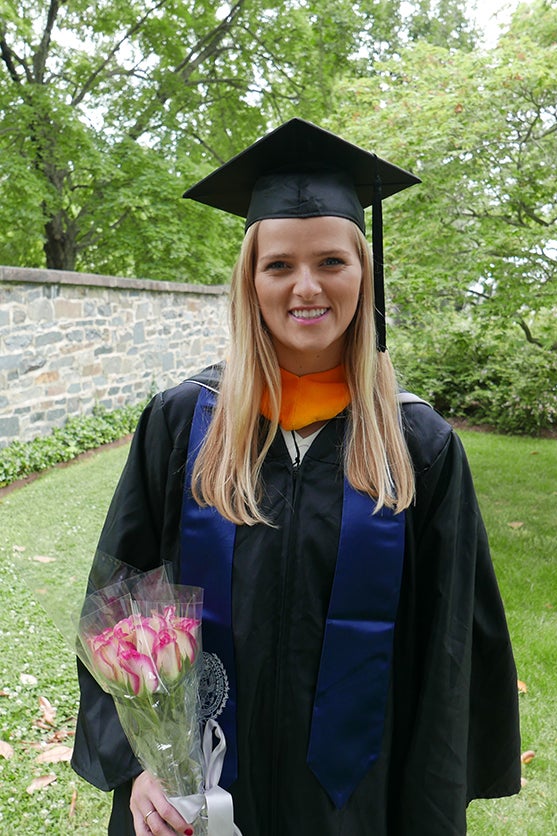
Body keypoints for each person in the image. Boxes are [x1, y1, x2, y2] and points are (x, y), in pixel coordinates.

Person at [72, 119, 521, 836]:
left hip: (358, 801)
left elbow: (451, 657)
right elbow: (118, 602)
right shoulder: (184, 422)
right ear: (250, 281)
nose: (305, 287)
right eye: (279, 264)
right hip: (199, 790)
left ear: (364, 274)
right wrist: (139, 762)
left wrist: (428, 809)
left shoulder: (419, 446)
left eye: (331, 262)